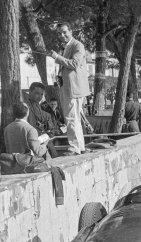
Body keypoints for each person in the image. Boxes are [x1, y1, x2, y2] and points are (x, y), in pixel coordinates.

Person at [48, 22, 90, 155]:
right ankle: (80, 147)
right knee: (75, 118)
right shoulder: (68, 46)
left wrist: (57, 57)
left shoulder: (77, 45)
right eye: (59, 33)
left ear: (71, 31)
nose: (62, 35)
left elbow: (74, 64)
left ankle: (74, 147)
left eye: (64, 32)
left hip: (73, 88)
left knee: (71, 118)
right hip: (69, 87)